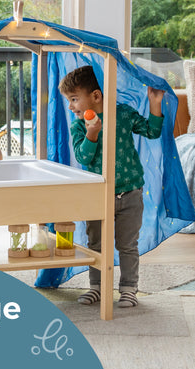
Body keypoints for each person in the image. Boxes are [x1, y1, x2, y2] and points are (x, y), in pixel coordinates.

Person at [59, 65, 165, 308]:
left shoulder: (123, 114)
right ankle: (96, 286)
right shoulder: (79, 126)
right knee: (95, 243)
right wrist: (92, 133)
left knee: (127, 245)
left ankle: (128, 288)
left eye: (74, 99)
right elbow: (84, 157)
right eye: (69, 100)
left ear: (96, 96)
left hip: (130, 193)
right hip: (98, 194)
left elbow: (152, 131)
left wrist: (155, 103)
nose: (71, 106)